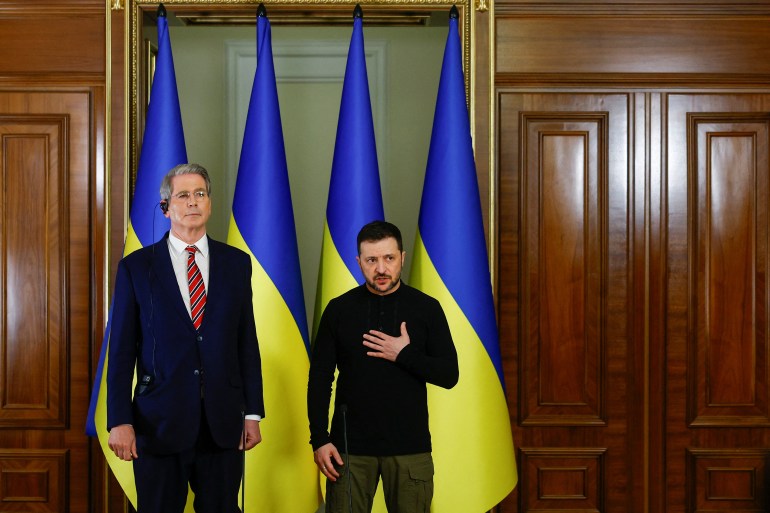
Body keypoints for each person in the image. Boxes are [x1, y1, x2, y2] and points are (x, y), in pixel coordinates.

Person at [106, 163, 264, 513]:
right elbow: (121, 352)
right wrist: (120, 420)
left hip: (222, 423)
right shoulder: (136, 267)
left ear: (209, 203)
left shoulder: (236, 264)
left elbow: (245, 343)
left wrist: (252, 412)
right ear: (166, 208)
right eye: (183, 195)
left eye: (200, 194)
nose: (193, 202)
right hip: (158, 423)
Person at [308, 220, 459, 513]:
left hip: (409, 449)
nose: (381, 268)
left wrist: (404, 354)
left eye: (389, 258)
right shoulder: (339, 310)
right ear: (359, 262)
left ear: (402, 257)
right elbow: (319, 378)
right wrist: (319, 439)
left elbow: (449, 374)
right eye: (371, 260)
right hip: (348, 450)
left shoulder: (426, 308)